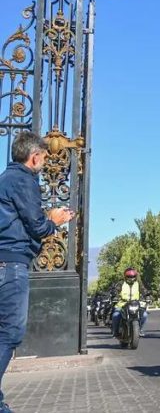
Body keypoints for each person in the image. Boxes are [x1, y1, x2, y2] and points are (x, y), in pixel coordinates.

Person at [0, 131, 74, 413]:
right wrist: (53, 220)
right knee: (10, 333)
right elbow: (37, 227)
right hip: (11, 264)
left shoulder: (7, 178)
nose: (44, 164)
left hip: (5, 261)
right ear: (35, 157)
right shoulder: (23, 179)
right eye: (43, 158)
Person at [111, 268, 149, 338]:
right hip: (122, 304)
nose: (131, 278)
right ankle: (115, 331)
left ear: (135, 276)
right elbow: (116, 290)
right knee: (115, 315)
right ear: (125, 276)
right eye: (129, 277)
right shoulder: (121, 283)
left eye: (133, 276)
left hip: (135, 304)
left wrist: (147, 296)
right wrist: (115, 296)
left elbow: (144, 290)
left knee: (144, 315)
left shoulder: (138, 283)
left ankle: (139, 329)